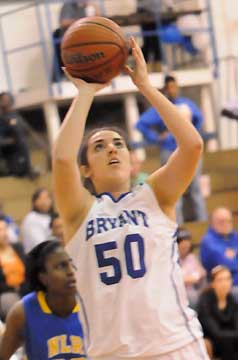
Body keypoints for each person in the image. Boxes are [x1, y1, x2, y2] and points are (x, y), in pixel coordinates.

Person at [52, 36, 208, 359]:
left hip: (175, 346)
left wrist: (146, 87)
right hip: (112, 353)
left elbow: (192, 145)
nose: (111, 148)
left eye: (118, 143)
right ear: (85, 170)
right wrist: (85, 93)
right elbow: (62, 159)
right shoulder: (79, 212)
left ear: (131, 158)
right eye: (99, 146)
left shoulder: (155, 195)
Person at [136, 74, 207, 224]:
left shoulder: (187, 104)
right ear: (166, 89)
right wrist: (156, 138)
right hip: (169, 150)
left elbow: (200, 119)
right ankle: (178, 224)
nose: (173, 89)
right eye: (170, 87)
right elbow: (141, 124)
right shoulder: (163, 107)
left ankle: (202, 221)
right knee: (175, 190)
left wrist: (194, 132)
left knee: (195, 188)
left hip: (190, 152)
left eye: (175, 86)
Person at [0, 240, 86, 360]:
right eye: (61, 266)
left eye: (71, 263)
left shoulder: (92, 304)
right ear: (43, 278)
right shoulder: (22, 312)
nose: (71, 271)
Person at [197, 265, 238, 360]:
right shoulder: (205, 300)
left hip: (231, 338)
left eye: (228, 279)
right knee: (227, 343)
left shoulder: (231, 299)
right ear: (212, 283)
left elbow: (235, 324)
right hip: (211, 339)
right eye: (220, 280)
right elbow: (215, 332)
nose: (225, 283)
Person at [52, 0, 99, 81]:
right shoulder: (68, 5)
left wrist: (94, 7)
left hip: (80, 38)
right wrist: (82, 21)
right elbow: (63, 22)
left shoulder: (84, 8)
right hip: (68, 39)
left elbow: (97, 19)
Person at [0, 92, 38, 179]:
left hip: (23, 154)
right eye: (3, 99)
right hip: (11, 157)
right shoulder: (1, 120)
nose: (5, 101)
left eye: (7, 99)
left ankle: (28, 170)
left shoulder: (17, 117)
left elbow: (27, 132)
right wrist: (9, 141)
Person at [200, 207, 238, 289]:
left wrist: (234, 254)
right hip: (223, 287)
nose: (226, 224)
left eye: (229, 221)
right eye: (222, 221)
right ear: (212, 223)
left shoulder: (234, 235)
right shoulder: (208, 241)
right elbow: (226, 264)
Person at [0, 218, 26, 321]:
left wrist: (22, 288)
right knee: (10, 301)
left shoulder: (18, 247)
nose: (4, 233)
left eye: (5, 229)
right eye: (0, 230)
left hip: (25, 289)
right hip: (6, 293)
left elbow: (28, 271)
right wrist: (14, 288)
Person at [177, 227, 206, 308]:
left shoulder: (191, 257)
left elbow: (202, 273)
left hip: (193, 291)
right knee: (191, 297)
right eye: (182, 245)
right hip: (179, 293)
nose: (186, 246)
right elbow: (178, 279)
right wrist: (193, 278)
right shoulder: (172, 260)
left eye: (187, 244)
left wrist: (195, 277)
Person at [21, 188, 53, 253]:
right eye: (42, 198)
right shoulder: (31, 219)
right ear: (35, 202)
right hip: (38, 258)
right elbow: (40, 244)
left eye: (47, 198)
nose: (45, 201)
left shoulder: (50, 217)